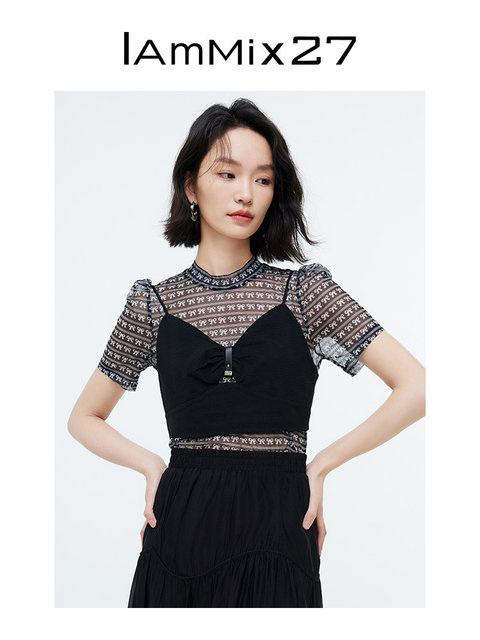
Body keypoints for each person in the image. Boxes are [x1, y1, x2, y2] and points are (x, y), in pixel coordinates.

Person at [67, 98, 425, 608]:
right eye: (227, 173)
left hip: (280, 525)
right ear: (190, 186)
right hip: (181, 526)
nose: (246, 193)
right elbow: (83, 417)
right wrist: (149, 465)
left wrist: (322, 465)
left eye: (263, 179)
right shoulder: (152, 304)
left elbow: (419, 387)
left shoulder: (305, 293)